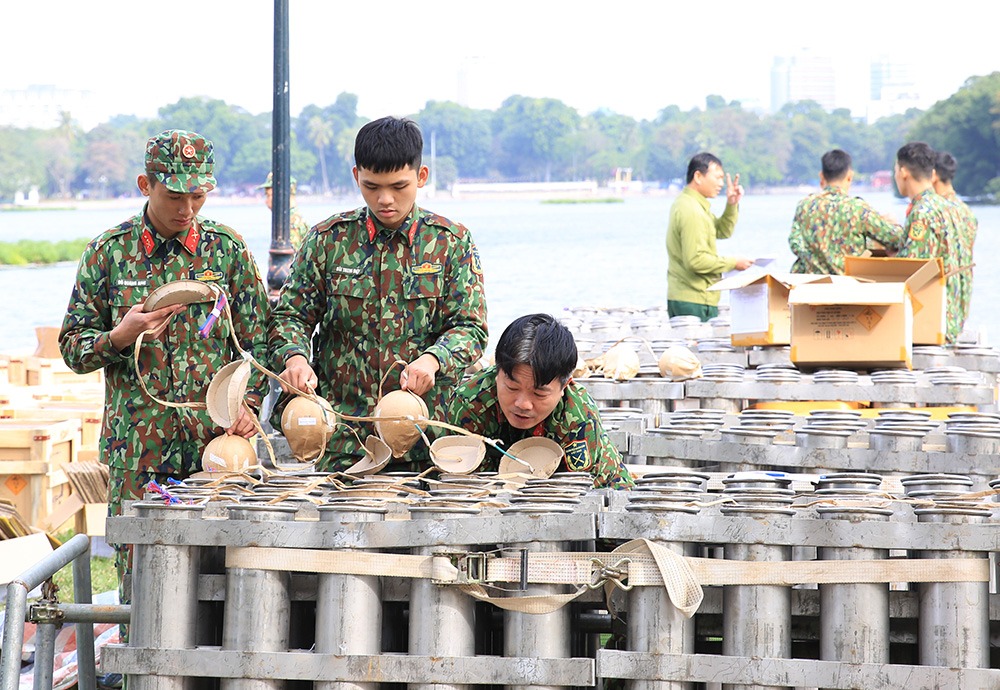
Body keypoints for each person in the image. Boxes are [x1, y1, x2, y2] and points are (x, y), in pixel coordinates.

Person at [58, 129, 269, 620]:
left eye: (199, 196)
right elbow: (72, 348)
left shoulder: (226, 251)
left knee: (225, 589)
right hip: (139, 455)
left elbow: (260, 342)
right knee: (143, 593)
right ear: (145, 185)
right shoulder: (109, 253)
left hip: (217, 451)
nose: (187, 208)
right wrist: (120, 336)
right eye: (175, 196)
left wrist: (249, 404)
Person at [268, 116, 488, 470]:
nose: (385, 199)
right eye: (371, 187)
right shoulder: (328, 240)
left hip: (426, 436)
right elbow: (290, 317)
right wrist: (295, 359)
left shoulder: (450, 243)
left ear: (421, 176)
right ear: (356, 176)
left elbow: (471, 328)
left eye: (399, 186)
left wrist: (433, 360)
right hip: (345, 437)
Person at [448, 314, 633, 488]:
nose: (523, 404)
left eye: (539, 394)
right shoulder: (469, 404)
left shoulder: (578, 418)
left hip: (599, 489)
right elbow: (467, 483)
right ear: (497, 373)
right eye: (512, 388)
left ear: (565, 386)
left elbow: (579, 492)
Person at [666, 152, 754, 321]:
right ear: (698, 176)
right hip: (693, 299)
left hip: (693, 297)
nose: (721, 183)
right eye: (717, 177)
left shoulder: (695, 205)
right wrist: (733, 263)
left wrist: (732, 204)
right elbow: (695, 260)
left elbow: (722, 231)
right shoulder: (691, 210)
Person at [893, 141, 967, 342]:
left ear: (904, 172)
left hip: (932, 322)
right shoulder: (950, 207)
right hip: (952, 317)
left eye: (896, 171)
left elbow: (910, 268)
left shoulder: (922, 212)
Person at [788, 149, 903, 274]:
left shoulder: (805, 206)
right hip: (848, 281)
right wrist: (892, 223)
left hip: (812, 281)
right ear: (849, 176)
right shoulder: (857, 208)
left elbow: (795, 242)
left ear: (821, 176)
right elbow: (896, 239)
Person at [934, 150, 977, 338]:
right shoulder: (966, 211)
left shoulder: (937, 211)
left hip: (942, 306)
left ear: (932, 175)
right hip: (962, 303)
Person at [259, 171, 311, 250]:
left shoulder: (290, 224)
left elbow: (290, 255)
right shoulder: (293, 219)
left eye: (269, 195)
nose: (266, 201)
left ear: (281, 194)